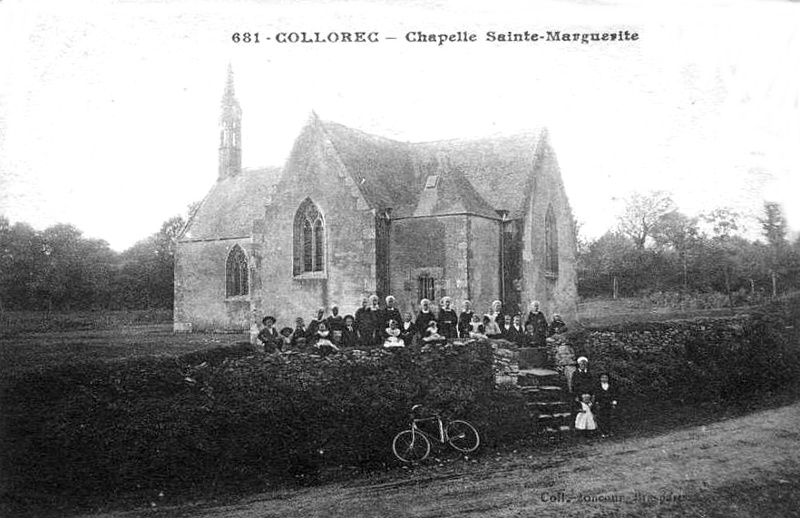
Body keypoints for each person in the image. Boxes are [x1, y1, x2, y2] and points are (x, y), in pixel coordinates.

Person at [594, 373, 619, 437]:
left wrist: (614, 402)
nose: (604, 379)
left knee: (609, 418)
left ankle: (610, 431)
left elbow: (615, 394)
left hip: (609, 403)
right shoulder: (597, 386)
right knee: (601, 418)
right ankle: (603, 432)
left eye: (606, 377)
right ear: (600, 379)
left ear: (608, 379)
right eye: (602, 377)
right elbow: (596, 395)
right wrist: (596, 402)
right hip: (601, 403)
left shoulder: (611, 386)